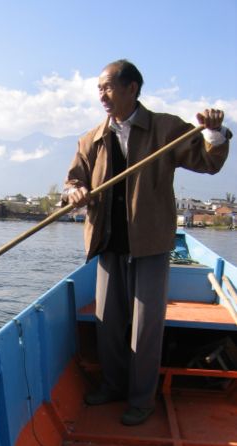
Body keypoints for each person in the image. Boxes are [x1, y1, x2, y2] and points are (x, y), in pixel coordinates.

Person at [63, 59, 231, 426]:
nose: (102, 96)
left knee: (146, 326)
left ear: (132, 89)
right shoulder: (91, 139)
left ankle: (141, 399)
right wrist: (75, 192)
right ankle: (113, 384)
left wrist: (215, 134)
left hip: (150, 243)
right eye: (99, 89)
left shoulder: (164, 128)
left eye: (108, 87)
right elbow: (73, 180)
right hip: (109, 244)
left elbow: (207, 161)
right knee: (108, 323)